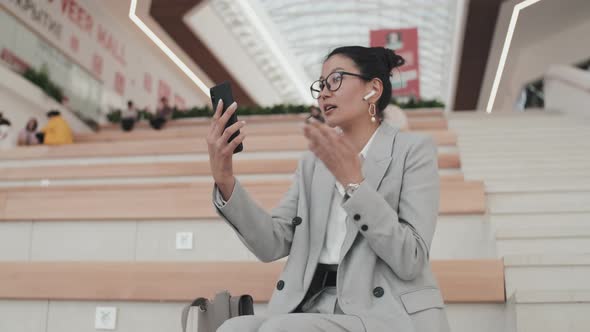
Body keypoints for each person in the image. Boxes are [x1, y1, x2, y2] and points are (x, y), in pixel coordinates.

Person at [207, 46, 449, 332]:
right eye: (320, 85)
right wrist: (225, 178)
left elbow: (412, 259)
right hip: (312, 304)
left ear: (373, 89)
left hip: (384, 312)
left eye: (335, 80)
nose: (323, 93)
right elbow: (272, 243)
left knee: (280, 329)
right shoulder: (312, 163)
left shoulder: (413, 151)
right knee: (232, 328)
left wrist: (354, 184)